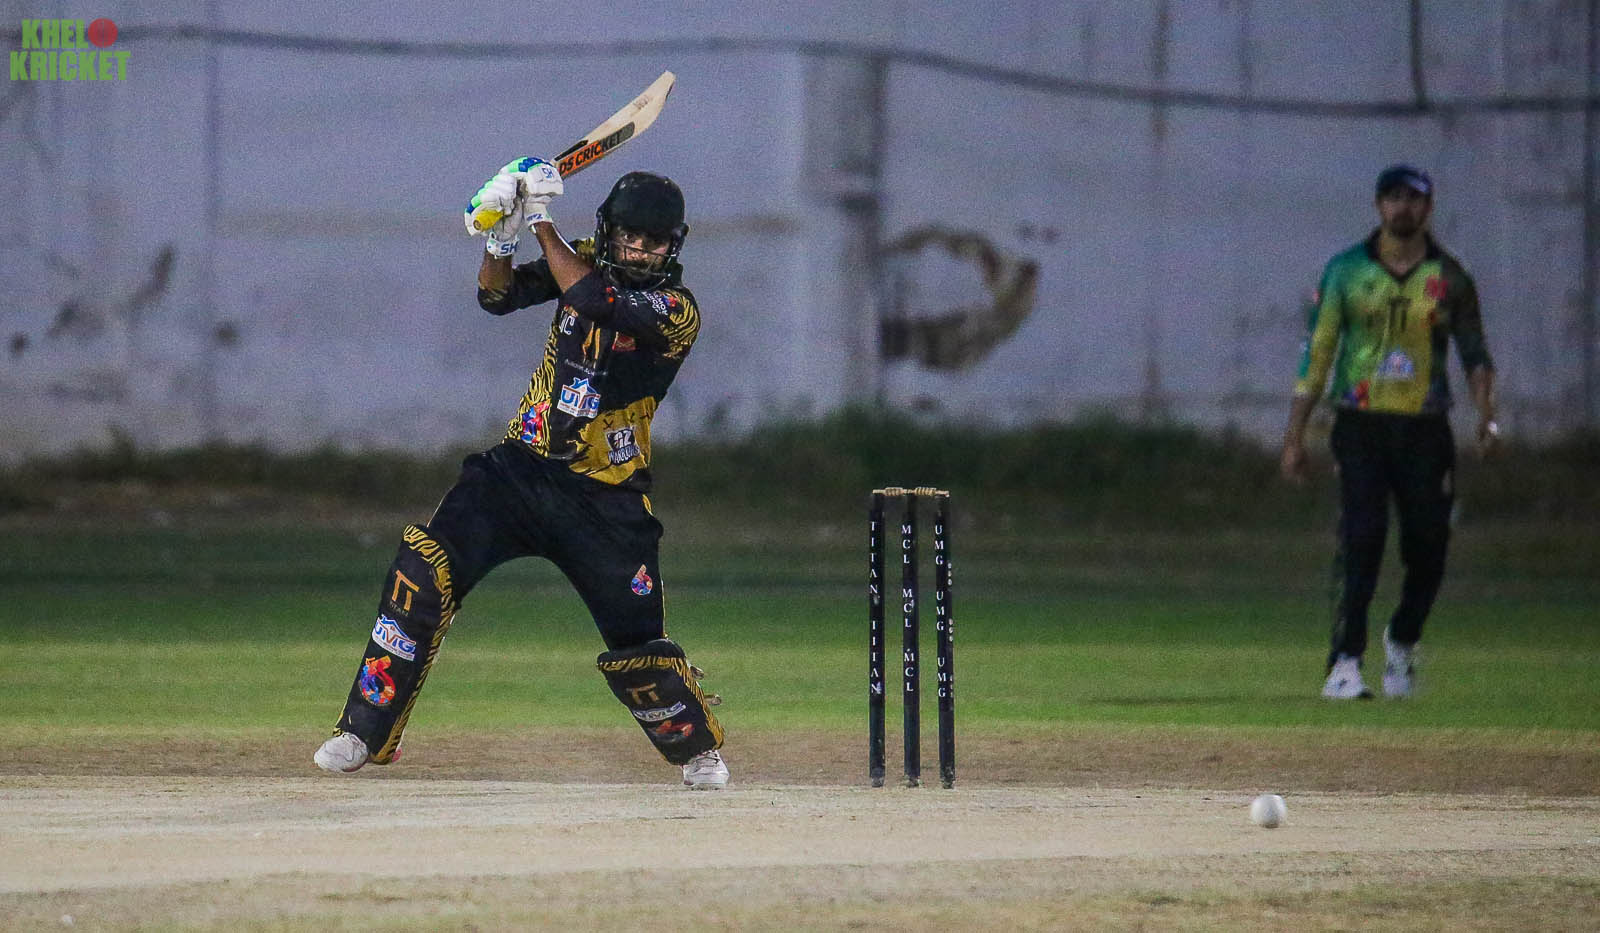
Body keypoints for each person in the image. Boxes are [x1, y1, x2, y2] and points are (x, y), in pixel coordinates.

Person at [312, 157, 728, 787]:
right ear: (609, 232)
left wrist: (538, 217)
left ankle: (699, 751)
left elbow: (592, 299)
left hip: (605, 495)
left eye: (654, 242)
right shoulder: (582, 258)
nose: (640, 251)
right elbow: (497, 296)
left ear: (675, 245)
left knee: (638, 638)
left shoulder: (676, 309)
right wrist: (501, 237)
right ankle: (363, 732)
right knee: (422, 574)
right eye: (628, 238)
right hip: (519, 471)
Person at [1281, 163, 1499, 701]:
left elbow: (1475, 352)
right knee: (1362, 537)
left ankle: (1402, 639)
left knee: (1429, 544)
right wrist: (1295, 437)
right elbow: (1318, 353)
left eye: (1413, 198)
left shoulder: (1449, 277)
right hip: (1361, 423)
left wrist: (1486, 416)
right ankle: (1345, 661)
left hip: (1425, 427)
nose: (1404, 207)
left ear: (1428, 207)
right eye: (1394, 198)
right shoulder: (1346, 271)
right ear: (1379, 205)